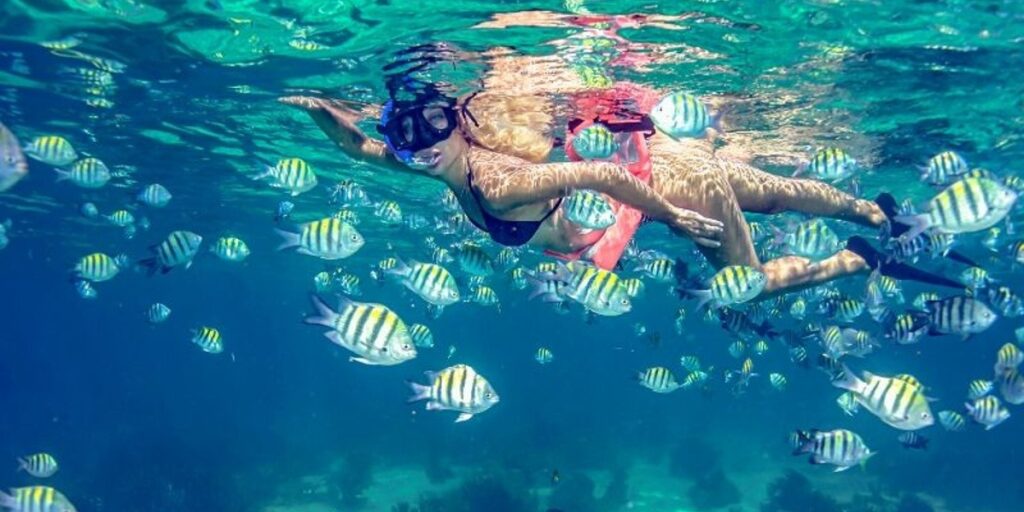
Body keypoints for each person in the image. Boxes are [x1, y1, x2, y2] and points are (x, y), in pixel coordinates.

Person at [280, 41, 961, 295]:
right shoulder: (433, 166)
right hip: (658, 165)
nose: (418, 145)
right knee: (774, 195)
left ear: (458, 122)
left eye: (431, 126)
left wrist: (673, 218)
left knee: (748, 284)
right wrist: (320, 112)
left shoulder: (499, 182)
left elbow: (606, 179)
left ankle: (857, 256)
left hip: (656, 185)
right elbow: (357, 148)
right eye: (403, 133)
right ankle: (875, 210)